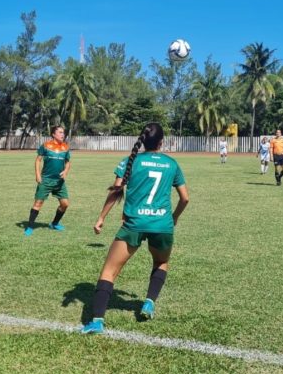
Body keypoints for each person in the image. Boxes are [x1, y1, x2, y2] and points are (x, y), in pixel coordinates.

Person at [82, 123, 189, 334]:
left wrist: (101, 218)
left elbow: (115, 191)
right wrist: (174, 217)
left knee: (109, 271)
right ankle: (149, 302)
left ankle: (97, 321)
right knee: (161, 262)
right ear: (161, 142)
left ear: (143, 141)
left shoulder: (130, 161)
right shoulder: (171, 164)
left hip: (134, 224)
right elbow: (185, 198)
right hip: (162, 225)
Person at [24, 126, 71, 236]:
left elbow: (68, 162)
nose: (63, 134)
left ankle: (54, 223)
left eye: (63, 132)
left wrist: (65, 171)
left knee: (65, 204)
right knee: (38, 203)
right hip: (45, 180)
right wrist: (37, 175)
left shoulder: (65, 147)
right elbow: (38, 160)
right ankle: (30, 226)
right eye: (60, 132)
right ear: (53, 134)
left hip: (59, 181)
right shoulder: (46, 145)